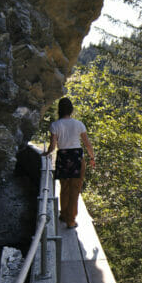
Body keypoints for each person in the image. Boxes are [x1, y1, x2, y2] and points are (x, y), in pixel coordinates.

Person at [43, 97, 95, 228]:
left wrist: (46, 153)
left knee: (64, 188)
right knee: (75, 189)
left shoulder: (55, 125)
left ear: (59, 110)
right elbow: (87, 144)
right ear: (71, 110)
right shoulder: (79, 124)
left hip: (63, 157)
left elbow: (53, 146)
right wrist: (92, 158)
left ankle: (64, 214)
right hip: (77, 157)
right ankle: (71, 221)